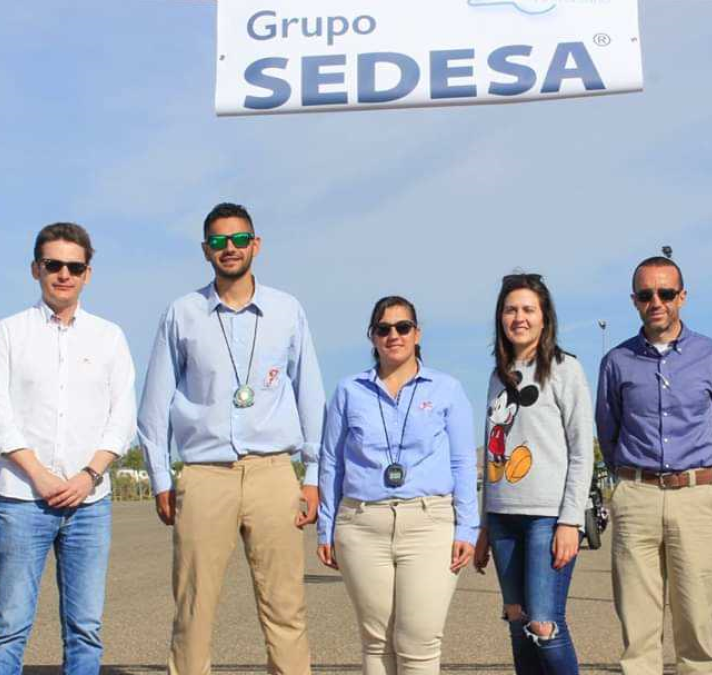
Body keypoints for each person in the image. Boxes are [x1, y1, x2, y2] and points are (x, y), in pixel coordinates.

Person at [137, 202, 325, 675]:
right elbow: (155, 403)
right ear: (206, 250)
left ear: (255, 245)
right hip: (204, 476)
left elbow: (311, 395)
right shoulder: (182, 314)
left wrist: (315, 474)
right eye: (219, 241)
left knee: (285, 608)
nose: (230, 249)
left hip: (273, 472)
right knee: (194, 610)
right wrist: (161, 475)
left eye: (239, 239)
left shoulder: (286, 310)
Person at [0, 222, 137, 675]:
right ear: (36, 269)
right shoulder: (9, 332)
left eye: (74, 266)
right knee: (10, 624)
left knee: (85, 626)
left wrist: (88, 475)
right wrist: (42, 476)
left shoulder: (109, 337)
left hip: (90, 503)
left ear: (88, 273)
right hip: (22, 498)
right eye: (53, 264)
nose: (63, 274)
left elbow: (121, 419)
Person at [317, 296, 477, 675]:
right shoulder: (348, 391)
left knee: (418, 641)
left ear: (417, 334)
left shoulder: (446, 389)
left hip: (428, 521)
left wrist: (467, 527)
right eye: (384, 329)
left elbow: (463, 462)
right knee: (376, 642)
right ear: (372, 337)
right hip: (360, 523)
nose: (394, 335)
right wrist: (326, 527)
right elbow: (331, 462)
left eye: (403, 327)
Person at [595, 255, 712, 675]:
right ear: (634, 301)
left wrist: (709, 482)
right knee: (638, 629)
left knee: (696, 623)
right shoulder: (617, 362)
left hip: (696, 496)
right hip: (636, 495)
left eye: (666, 293)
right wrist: (628, 484)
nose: (656, 301)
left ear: (682, 297)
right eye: (646, 294)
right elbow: (609, 430)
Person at [472, 273, 595, 675]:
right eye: (511, 310)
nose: (519, 318)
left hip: (547, 517)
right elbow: (494, 457)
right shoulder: (497, 376)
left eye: (528, 309)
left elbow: (581, 451)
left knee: (544, 623)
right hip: (504, 517)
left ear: (544, 318)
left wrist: (570, 521)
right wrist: (485, 526)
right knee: (516, 618)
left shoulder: (565, 369)